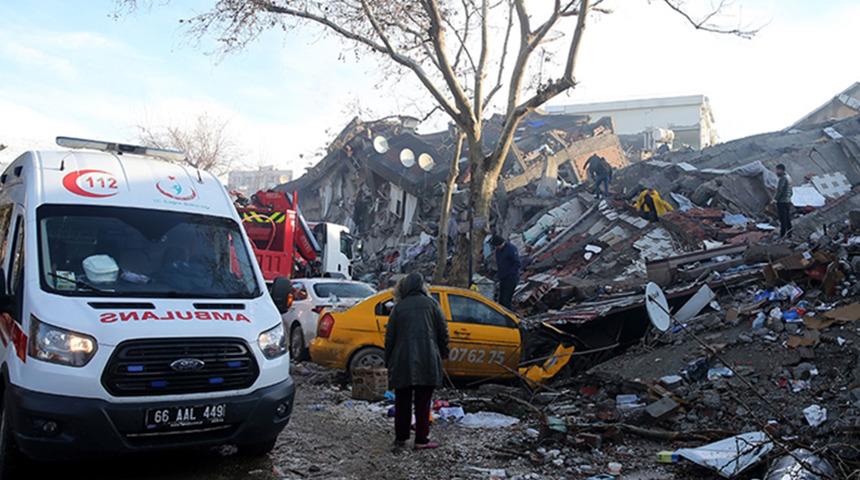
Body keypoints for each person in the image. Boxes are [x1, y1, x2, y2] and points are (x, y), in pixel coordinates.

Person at [384, 273, 449, 450]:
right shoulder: (432, 305)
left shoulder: (399, 307)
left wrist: (388, 360)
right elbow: (443, 332)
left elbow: (390, 337)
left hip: (402, 359)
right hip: (427, 358)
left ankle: (401, 439)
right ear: (422, 286)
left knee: (402, 401)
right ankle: (421, 440)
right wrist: (443, 353)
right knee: (423, 402)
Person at [489, 235, 521, 309]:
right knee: (501, 300)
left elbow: (517, 263)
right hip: (502, 277)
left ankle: (508, 317)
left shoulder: (511, 249)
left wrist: (509, 274)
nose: (496, 248)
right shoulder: (498, 251)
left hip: (511, 278)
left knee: (506, 300)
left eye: (496, 246)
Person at [774, 163, 792, 238]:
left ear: (781, 170)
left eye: (777, 170)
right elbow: (791, 191)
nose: (776, 172)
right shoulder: (788, 177)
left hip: (782, 202)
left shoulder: (783, 179)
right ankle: (790, 233)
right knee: (787, 218)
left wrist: (775, 199)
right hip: (787, 201)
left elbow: (780, 190)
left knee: (783, 219)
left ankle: (782, 234)